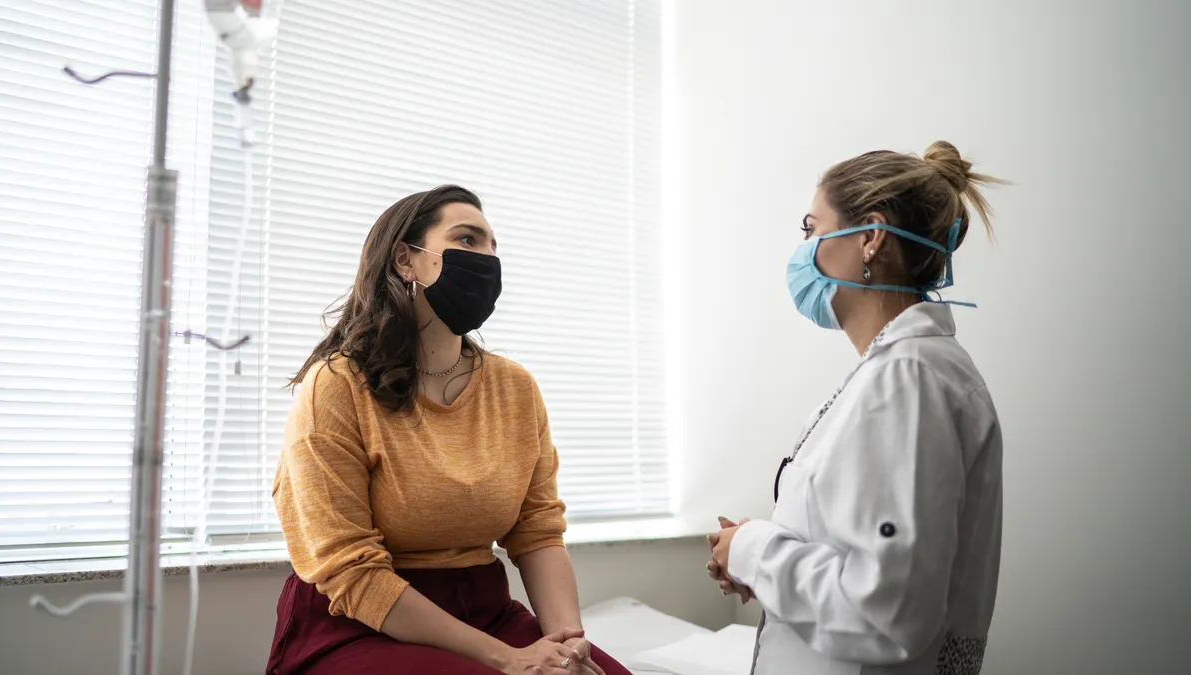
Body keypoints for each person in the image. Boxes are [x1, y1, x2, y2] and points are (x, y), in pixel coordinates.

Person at [265, 185, 630, 675]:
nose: (488, 259)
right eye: (468, 240)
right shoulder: (335, 387)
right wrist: (509, 660)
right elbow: (350, 571)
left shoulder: (514, 388)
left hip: (485, 613)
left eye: (494, 246)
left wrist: (566, 646)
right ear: (405, 260)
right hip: (358, 623)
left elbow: (538, 530)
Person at [706, 142, 1005, 675]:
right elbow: (865, 556)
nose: (802, 250)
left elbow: (884, 615)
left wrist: (753, 547)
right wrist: (761, 558)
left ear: (870, 237)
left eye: (810, 228)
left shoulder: (907, 381)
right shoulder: (899, 373)